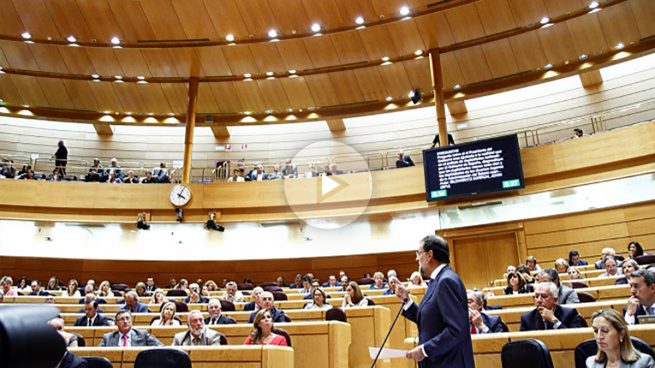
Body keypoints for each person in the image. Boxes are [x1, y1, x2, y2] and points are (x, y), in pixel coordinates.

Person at [392, 234, 474, 367]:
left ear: (429, 255)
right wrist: (406, 300)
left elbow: (456, 330)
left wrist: (425, 350)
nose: (416, 258)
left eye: (419, 253)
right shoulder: (438, 280)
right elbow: (431, 320)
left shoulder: (446, 281)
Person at [586, 308, 655, 368]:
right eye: (595, 331)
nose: (599, 336)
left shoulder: (643, 363)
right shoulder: (591, 363)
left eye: (605, 331)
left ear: (621, 334)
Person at [519, 282, 584, 331]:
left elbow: (574, 338)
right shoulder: (527, 318)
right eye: (536, 296)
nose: (539, 300)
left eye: (544, 296)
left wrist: (553, 320)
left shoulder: (570, 314)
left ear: (555, 300)